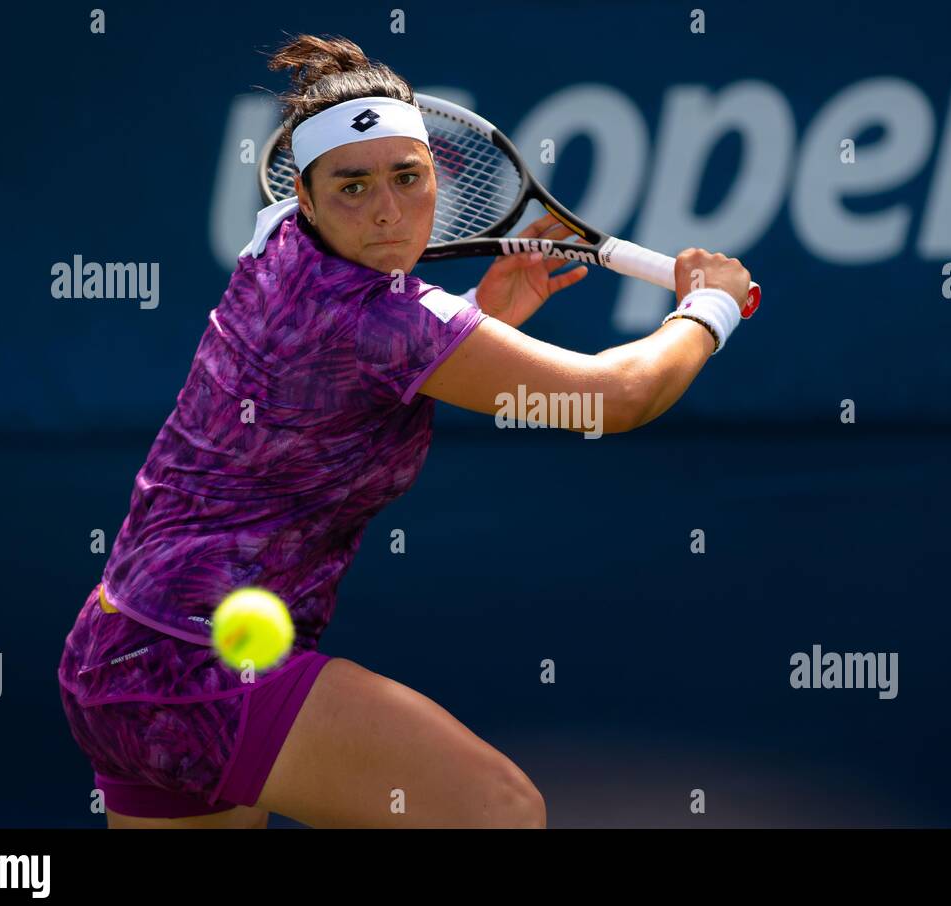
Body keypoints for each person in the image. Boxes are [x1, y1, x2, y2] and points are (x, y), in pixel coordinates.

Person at [57, 33, 754, 829]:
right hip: (199, 661)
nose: (388, 208)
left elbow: (337, 392)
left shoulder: (281, 246)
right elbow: (613, 401)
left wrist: (484, 322)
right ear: (308, 198)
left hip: (116, 660)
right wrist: (709, 306)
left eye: (407, 177)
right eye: (353, 186)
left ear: (435, 179)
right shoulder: (389, 321)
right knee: (497, 811)